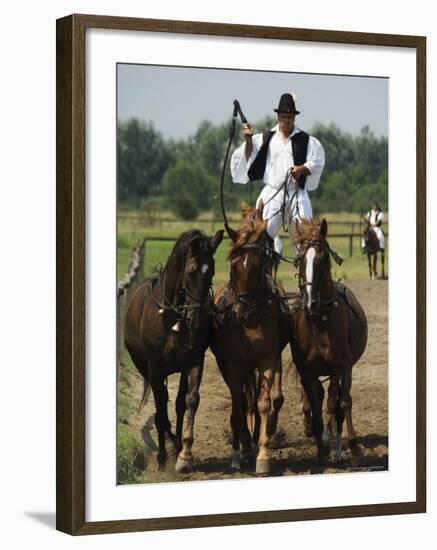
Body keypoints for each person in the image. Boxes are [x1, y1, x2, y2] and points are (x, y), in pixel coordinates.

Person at [230, 92, 325, 255]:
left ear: (294, 118)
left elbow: (317, 162)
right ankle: (259, 277)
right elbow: (249, 159)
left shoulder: (306, 140)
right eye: (283, 116)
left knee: (307, 240)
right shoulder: (267, 138)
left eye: (289, 117)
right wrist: (248, 140)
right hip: (272, 193)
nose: (286, 120)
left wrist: (302, 169)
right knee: (258, 237)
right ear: (278, 117)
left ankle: (308, 278)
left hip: (297, 194)